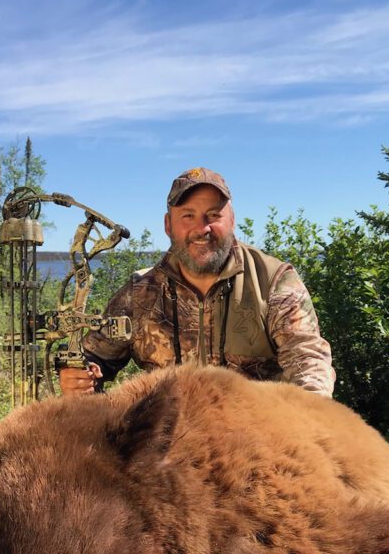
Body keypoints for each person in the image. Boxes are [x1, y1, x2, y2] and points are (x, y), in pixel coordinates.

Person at [58, 168, 335, 396]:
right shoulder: (140, 293)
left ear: (232, 221)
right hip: (171, 444)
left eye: (214, 215)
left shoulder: (273, 280)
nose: (202, 229)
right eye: (188, 216)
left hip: (256, 438)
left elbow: (308, 359)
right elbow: (95, 358)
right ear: (168, 225)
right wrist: (79, 378)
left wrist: (307, 410)